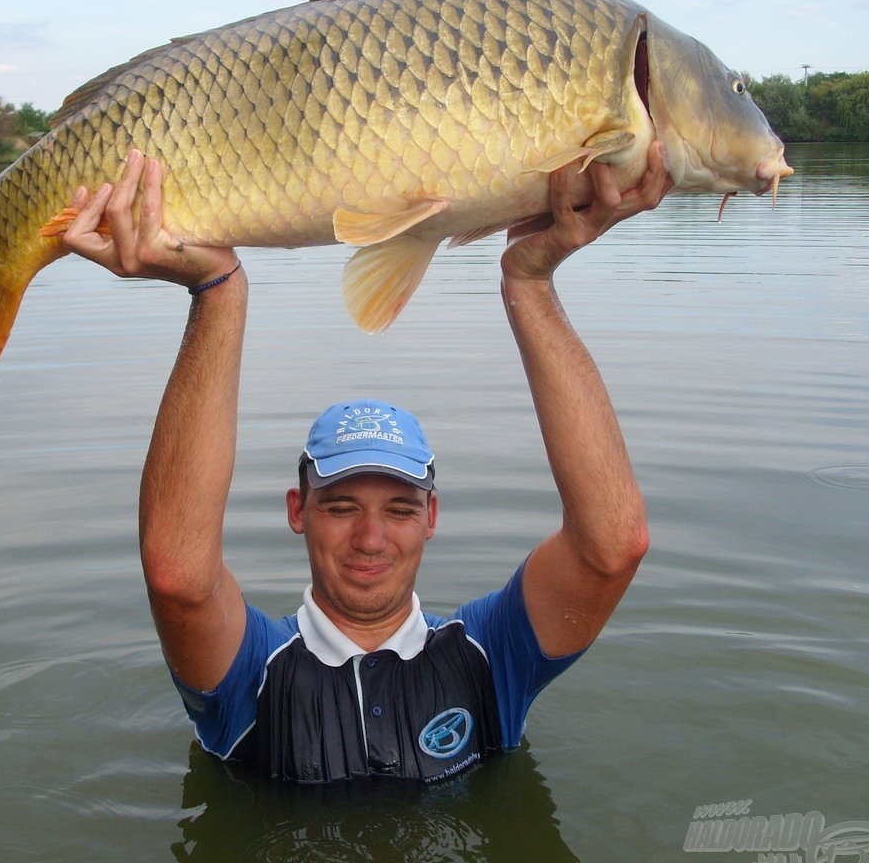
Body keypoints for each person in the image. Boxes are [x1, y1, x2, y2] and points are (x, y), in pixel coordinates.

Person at [62, 143, 673, 783]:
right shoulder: (249, 671)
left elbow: (613, 546)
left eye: (400, 508)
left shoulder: (489, 657)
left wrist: (532, 279)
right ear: (299, 511)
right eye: (343, 506)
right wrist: (218, 291)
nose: (371, 538)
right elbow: (178, 579)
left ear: (432, 516)